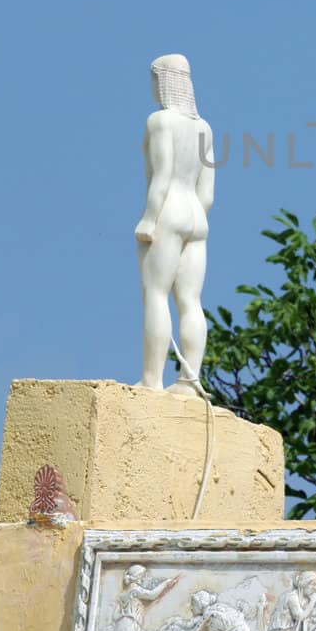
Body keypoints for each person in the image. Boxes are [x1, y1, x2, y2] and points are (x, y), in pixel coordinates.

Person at [134, 54, 215, 394]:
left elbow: (162, 177)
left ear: (163, 81)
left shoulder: (161, 122)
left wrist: (149, 219)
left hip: (168, 211)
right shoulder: (204, 127)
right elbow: (207, 193)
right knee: (190, 301)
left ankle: (152, 380)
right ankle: (190, 380)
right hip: (196, 216)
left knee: (155, 294)